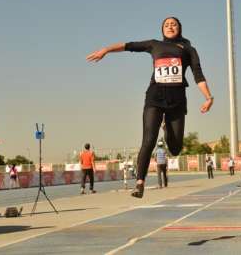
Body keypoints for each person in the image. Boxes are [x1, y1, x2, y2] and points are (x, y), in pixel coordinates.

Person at [86, 17, 214, 198]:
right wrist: (106, 50)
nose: (170, 27)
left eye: (174, 24)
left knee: (176, 148)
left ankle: (167, 129)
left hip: (177, 101)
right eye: (167, 25)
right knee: (148, 140)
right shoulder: (154, 45)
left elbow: (198, 74)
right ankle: (140, 183)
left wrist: (208, 97)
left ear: (180, 29)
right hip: (154, 98)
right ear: (162, 29)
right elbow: (128, 46)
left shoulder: (189, 50)